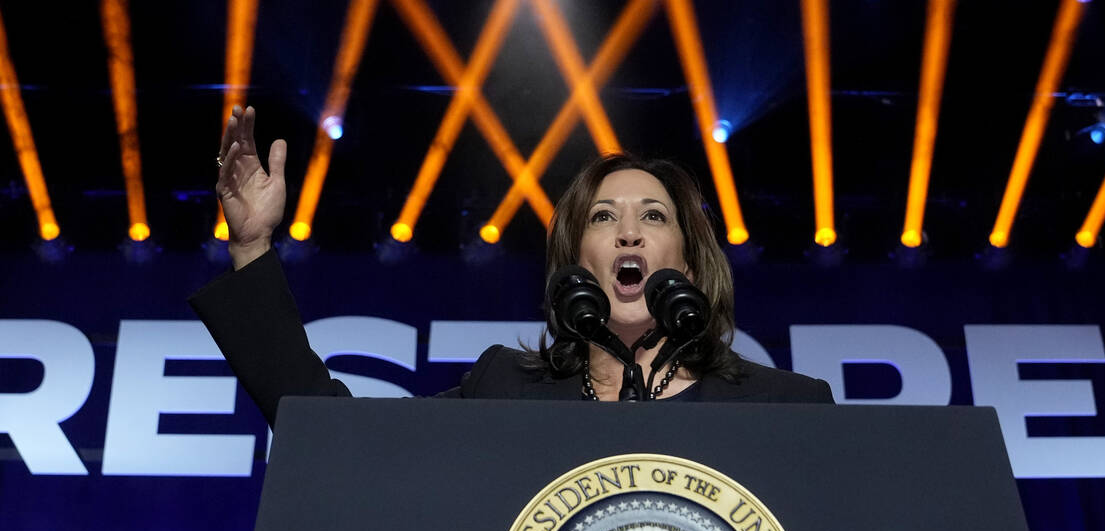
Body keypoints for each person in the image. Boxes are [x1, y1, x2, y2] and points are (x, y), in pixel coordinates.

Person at [190, 106, 832, 422]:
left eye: (654, 217)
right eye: (603, 218)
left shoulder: (786, 408)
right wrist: (251, 249)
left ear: (690, 265)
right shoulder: (505, 391)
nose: (629, 232)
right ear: (576, 264)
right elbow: (333, 443)